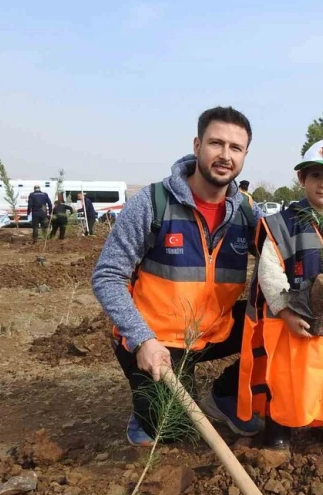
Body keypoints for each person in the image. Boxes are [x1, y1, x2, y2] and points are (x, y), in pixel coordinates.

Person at [91, 106, 266, 446]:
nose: (225, 155)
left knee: (278, 326)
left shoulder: (245, 210)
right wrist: (142, 338)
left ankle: (225, 396)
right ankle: (148, 410)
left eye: (236, 148)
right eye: (216, 143)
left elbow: (286, 248)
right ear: (198, 144)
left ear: (245, 155)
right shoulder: (153, 202)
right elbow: (107, 276)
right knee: (172, 431)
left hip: (213, 331)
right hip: (157, 340)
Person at [237, 139, 323, 477]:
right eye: (315, 175)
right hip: (293, 323)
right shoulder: (281, 224)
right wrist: (285, 310)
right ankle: (279, 435)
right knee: (286, 379)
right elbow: (269, 271)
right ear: (302, 179)